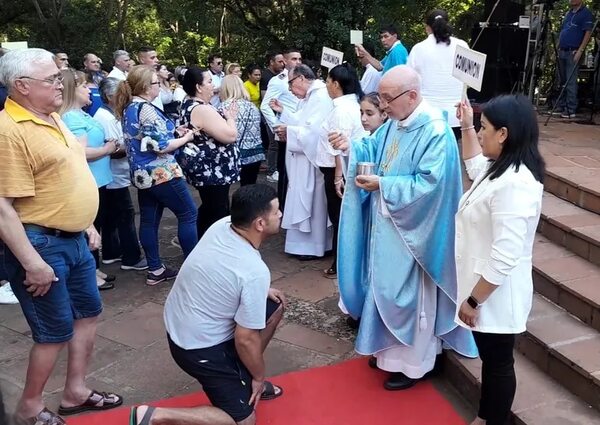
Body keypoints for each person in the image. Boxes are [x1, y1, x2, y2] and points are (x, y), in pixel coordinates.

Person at [330, 65, 477, 391]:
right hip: (389, 227)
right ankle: (389, 353)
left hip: (417, 234)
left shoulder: (435, 132)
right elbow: (373, 148)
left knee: (412, 299)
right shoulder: (398, 121)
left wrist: (383, 184)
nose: (383, 107)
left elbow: (431, 186)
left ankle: (416, 364)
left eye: (387, 99)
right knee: (385, 289)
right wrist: (349, 147)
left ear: (411, 95)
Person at [0, 47, 122, 425]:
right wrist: (32, 263)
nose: (60, 83)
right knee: (53, 331)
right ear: (21, 86)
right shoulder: (8, 131)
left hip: (72, 240)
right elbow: (2, 206)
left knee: (88, 314)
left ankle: (75, 391)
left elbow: (66, 173)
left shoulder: (52, 117)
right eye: (51, 79)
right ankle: (30, 408)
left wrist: (84, 222)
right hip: (41, 245)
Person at [141, 184, 285, 425]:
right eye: (276, 211)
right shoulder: (254, 271)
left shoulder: (224, 224)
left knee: (275, 305)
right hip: (197, 347)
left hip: (183, 320)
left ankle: (243, 379)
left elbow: (220, 270)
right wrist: (259, 376)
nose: (280, 214)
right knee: (244, 421)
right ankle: (155, 416)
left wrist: (259, 291)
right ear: (260, 224)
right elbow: (244, 338)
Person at [455, 95, 545, 425]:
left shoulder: (517, 184)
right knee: (493, 358)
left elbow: (506, 254)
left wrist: (474, 300)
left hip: (493, 292)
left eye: (484, 128)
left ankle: (491, 420)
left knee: (497, 362)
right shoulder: (500, 168)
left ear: (503, 134)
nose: (480, 134)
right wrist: (466, 124)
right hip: (484, 288)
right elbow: (474, 164)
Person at [115, 65, 198, 286]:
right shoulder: (147, 109)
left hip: (142, 176)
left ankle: (155, 269)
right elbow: (160, 147)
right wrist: (186, 138)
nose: (159, 86)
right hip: (162, 174)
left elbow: (145, 138)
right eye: (155, 83)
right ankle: (193, 270)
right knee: (188, 214)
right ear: (144, 86)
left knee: (149, 222)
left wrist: (174, 131)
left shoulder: (130, 108)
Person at [59, 69, 118, 291]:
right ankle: (89, 274)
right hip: (89, 181)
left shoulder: (81, 114)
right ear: (73, 91)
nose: (89, 91)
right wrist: (107, 148)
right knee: (89, 228)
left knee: (97, 225)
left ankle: (94, 268)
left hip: (98, 179)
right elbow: (81, 152)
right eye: (85, 87)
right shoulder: (71, 116)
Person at [270, 64, 333, 259]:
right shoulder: (310, 96)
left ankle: (313, 246)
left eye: (290, 83)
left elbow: (315, 132)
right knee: (302, 197)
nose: (290, 89)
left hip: (311, 161)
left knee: (312, 202)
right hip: (302, 159)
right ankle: (303, 245)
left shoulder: (321, 96)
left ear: (301, 79)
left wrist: (289, 131)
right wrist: (284, 114)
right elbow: (302, 120)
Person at [177, 66, 239, 238]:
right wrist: (231, 118)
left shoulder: (190, 103)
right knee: (217, 210)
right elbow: (230, 135)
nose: (214, 85)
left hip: (210, 170)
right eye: (210, 81)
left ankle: (202, 242)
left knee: (210, 206)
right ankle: (211, 247)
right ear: (198, 87)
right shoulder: (202, 109)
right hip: (212, 171)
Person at [94, 77, 148, 271]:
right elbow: (113, 150)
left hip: (113, 175)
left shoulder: (110, 114)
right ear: (110, 96)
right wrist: (135, 146)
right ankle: (131, 257)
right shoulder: (106, 118)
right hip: (114, 175)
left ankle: (111, 251)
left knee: (111, 215)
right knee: (125, 214)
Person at [318, 63, 367, 277]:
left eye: (328, 81)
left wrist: (338, 175)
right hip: (343, 167)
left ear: (336, 84)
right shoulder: (349, 104)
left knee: (340, 216)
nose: (326, 85)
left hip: (340, 170)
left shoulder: (342, 110)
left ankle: (340, 263)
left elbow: (338, 145)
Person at [408, 9, 469, 139]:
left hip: (427, 115)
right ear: (448, 23)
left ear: (427, 27)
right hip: (457, 115)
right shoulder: (462, 45)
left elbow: (409, 82)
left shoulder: (418, 49)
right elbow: (468, 81)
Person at [260, 49, 302, 201]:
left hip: (300, 128)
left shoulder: (302, 78)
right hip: (286, 130)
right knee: (285, 171)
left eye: (299, 59)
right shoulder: (279, 81)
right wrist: (277, 127)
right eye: (294, 59)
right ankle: (283, 206)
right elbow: (265, 106)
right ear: (285, 61)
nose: (298, 62)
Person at [220, 75, 264, 186]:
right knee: (249, 187)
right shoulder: (252, 106)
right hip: (256, 153)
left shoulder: (224, 107)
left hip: (237, 153)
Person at [556, 0, 594, 119]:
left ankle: (570, 108)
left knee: (570, 81)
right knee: (562, 80)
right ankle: (561, 106)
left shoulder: (586, 13)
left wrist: (580, 50)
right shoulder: (569, 13)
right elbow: (562, 31)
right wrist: (557, 47)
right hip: (563, 50)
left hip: (574, 51)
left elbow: (588, 33)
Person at [259, 52, 286, 183]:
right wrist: (274, 124)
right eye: (279, 61)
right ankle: (271, 170)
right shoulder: (268, 77)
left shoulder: (281, 76)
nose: (282, 63)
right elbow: (266, 101)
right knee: (274, 144)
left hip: (280, 116)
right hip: (272, 117)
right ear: (271, 62)